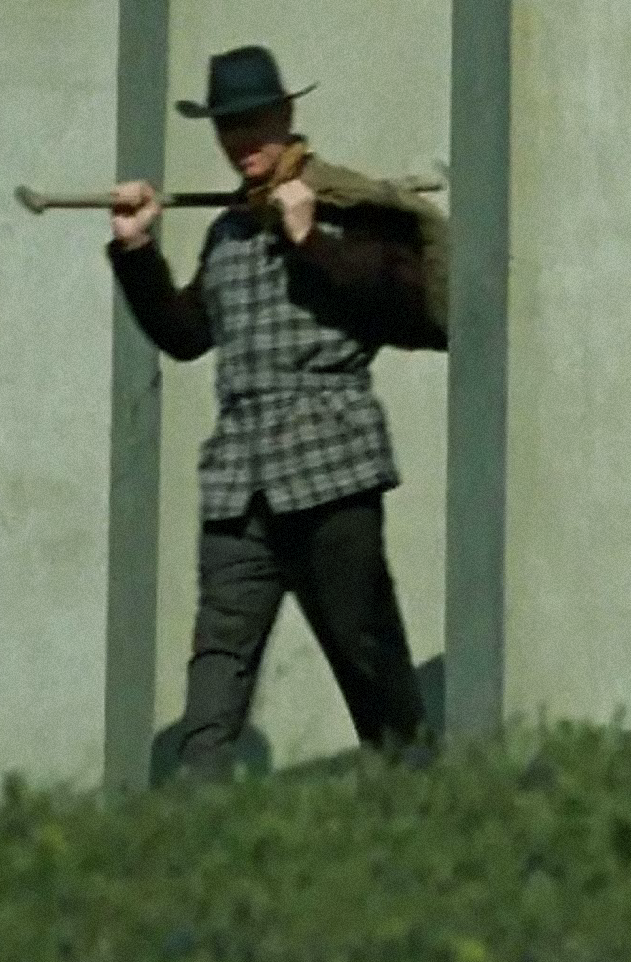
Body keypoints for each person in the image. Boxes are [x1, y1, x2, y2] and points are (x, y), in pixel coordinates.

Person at [107, 44, 445, 779]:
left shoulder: (346, 211)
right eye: (228, 127)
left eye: (255, 122)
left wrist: (306, 240)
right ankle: (192, 828)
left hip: (331, 472)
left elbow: (400, 302)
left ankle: (419, 811)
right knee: (215, 672)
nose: (242, 141)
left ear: (287, 117)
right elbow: (187, 335)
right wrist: (136, 252)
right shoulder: (228, 230)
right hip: (240, 486)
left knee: (369, 659)